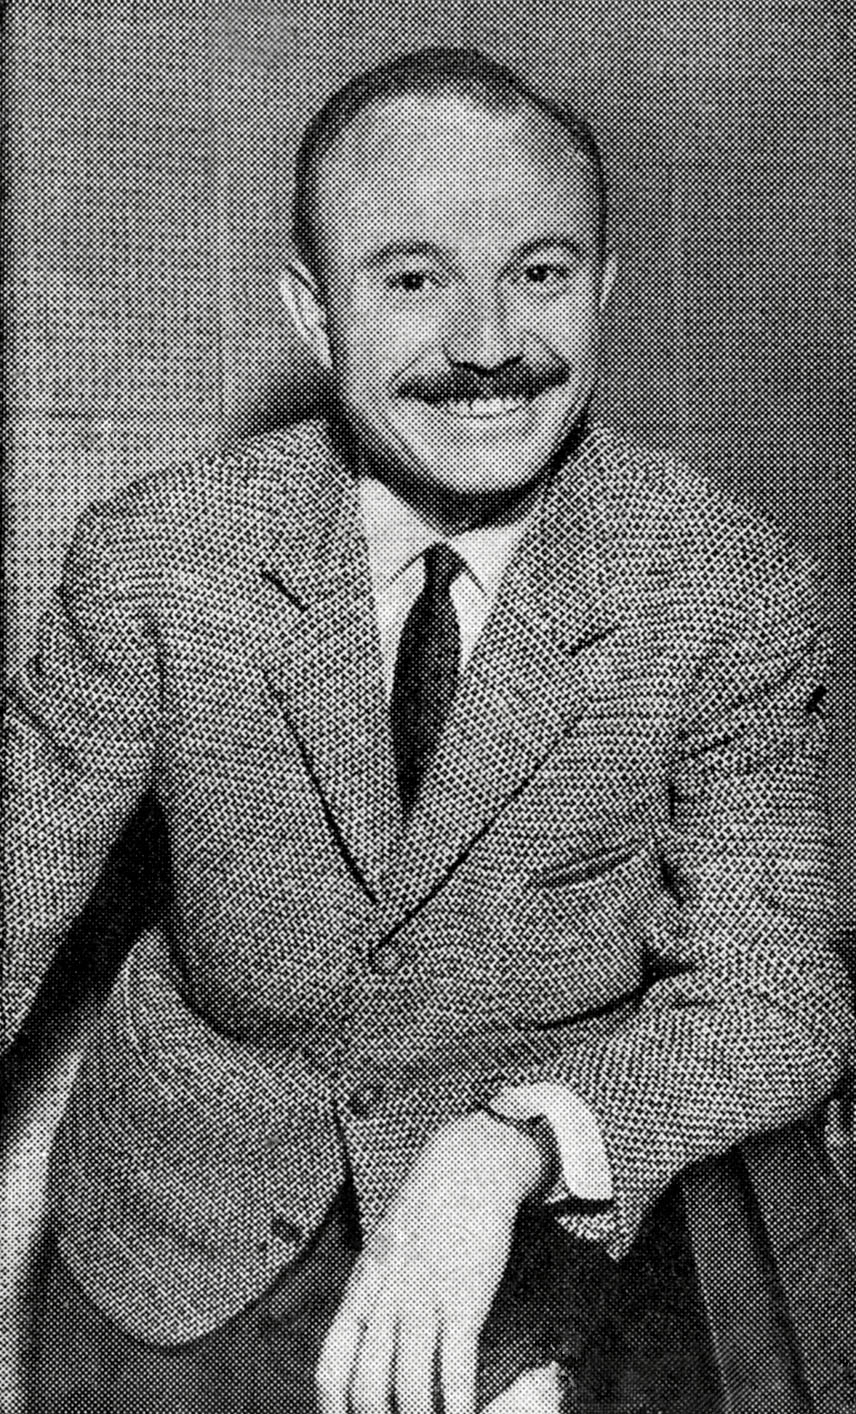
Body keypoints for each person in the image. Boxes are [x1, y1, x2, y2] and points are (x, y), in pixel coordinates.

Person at [4, 45, 854, 1414]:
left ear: (604, 287)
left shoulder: (726, 590)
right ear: (313, 311)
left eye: (540, 272)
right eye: (412, 280)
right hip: (172, 1248)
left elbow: (781, 996)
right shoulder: (159, 561)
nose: (487, 343)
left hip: (540, 1266)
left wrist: (511, 1146)